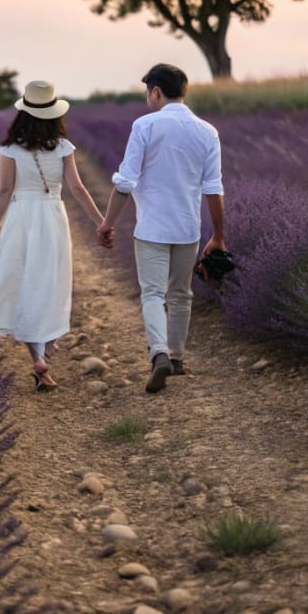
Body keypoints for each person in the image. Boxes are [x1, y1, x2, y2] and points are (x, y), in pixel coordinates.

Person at [96, 63, 227, 394]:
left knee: (153, 293)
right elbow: (214, 188)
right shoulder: (207, 131)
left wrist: (107, 224)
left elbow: (125, 183)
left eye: (147, 93)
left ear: (155, 91)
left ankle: (159, 354)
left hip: (152, 228)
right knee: (181, 293)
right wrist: (219, 236)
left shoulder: (145, 125)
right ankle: (178, 357)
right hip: (188, 228)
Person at [0, 80, 107, 391]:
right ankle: (47, 346)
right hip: (52, 216)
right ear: (54, 114)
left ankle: (37, 358)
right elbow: (78, 189)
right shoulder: (64, 148)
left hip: (22, 217)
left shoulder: (10, 148)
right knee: (51, 281)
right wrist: (101, 222)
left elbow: (3, 190)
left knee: (23, 280)